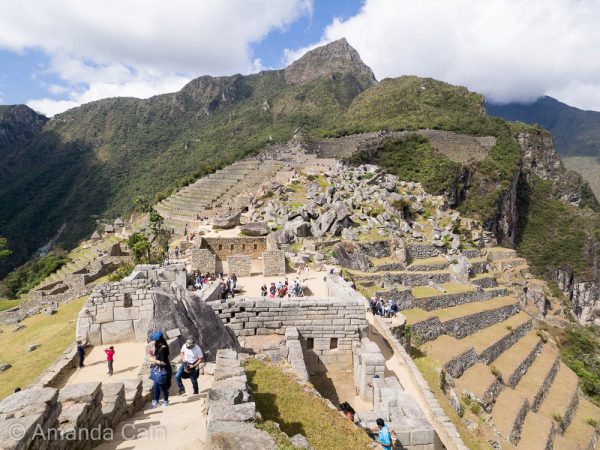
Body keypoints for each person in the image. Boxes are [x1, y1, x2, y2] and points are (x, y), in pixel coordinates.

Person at [148, 331, 172, 408]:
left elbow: (163, 362)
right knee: (155, 386)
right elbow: (158, 356)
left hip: (164, 370)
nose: (154, 341)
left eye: (155, 340)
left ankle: (166, 401)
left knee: (163, 387)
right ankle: (156, 401)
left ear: (158, 340)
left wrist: (153, 360)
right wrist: (152, 354)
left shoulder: (163, 348)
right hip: (159, 369)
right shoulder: (159, 347)